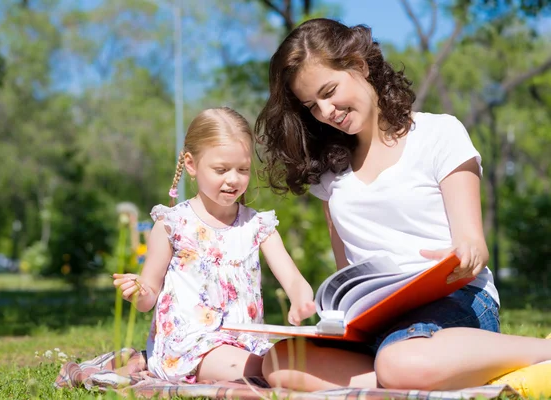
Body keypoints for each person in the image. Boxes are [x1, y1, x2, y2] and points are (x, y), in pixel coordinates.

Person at [254, 17, 551, 396]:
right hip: (376, 321)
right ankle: (422, 373)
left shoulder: (439, 133)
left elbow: (474, 247)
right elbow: (348, 272)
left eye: (330, 91)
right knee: (280, 362)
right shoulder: (330, 174)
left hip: (453, 300)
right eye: (312, 105)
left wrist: (461, 255)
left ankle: (544, 351)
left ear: (359, 65)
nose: (326, 111)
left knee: (400, 362)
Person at [113, 107, 316, 384]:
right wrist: (139, 292)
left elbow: (293, 279)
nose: (233, 179)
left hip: (248, 344)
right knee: (274, 369)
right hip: (191, 348)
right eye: (221, 169)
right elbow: (149, 298)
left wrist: (301, 299)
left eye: (243, 169)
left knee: (293, 361)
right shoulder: (172, 223)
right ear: (191, 165)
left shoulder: (258, 226)